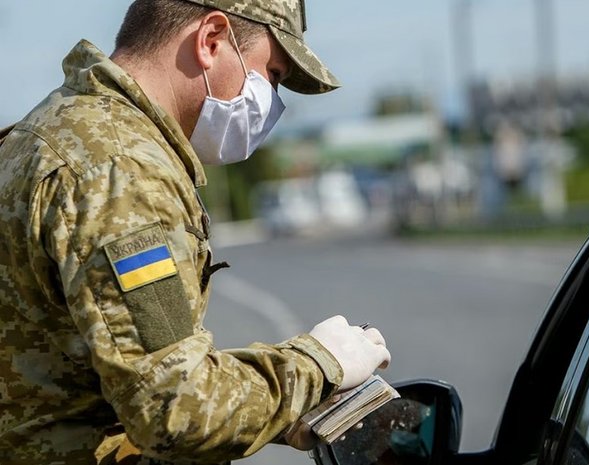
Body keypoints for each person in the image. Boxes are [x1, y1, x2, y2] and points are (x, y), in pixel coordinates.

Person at [0, 1, 390, 464]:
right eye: (274, 75)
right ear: (210, 41)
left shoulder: (49, 131)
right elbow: (173, 409)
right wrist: (321, 363)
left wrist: (281, 411)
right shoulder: (120, 169)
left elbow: (82, 377)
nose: (272, 101)